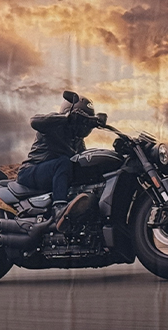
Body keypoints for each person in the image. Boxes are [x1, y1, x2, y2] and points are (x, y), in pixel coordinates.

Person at [17, 91, 106, 232]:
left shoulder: (77, 141)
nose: (83, 125)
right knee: (64, 162)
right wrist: (67, 117)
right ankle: (59, 209)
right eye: (82, 120)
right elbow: (35, 121)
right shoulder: (54, 124)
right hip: (30, 170)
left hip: (53, 173)